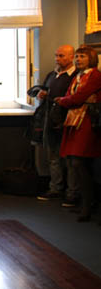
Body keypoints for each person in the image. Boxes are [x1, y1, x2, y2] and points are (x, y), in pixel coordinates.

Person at [55, 45, 101, 222]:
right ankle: (86, 202)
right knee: (77, 164)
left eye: (82, 56)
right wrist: (67, 100)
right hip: (75, 122)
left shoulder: (95, 76)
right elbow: (72, 95)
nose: (78, 59)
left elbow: (78, 97)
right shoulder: (78, 76)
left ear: (91, 59)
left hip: (88, 123)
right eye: (77, 56)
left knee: (80, 162)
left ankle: (87, 204)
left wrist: (64, 101)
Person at [36, 45, 78, 206]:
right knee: (53, 157)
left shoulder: (75, 76)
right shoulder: (52, 75)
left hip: (68, 122)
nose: (57, 59)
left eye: (61, 56)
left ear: (71, 57)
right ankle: (55, 188)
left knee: (70, 160)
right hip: (51, 120)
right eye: (56, 55)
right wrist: (42, 94)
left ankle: (72, 192)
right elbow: (46, 91)